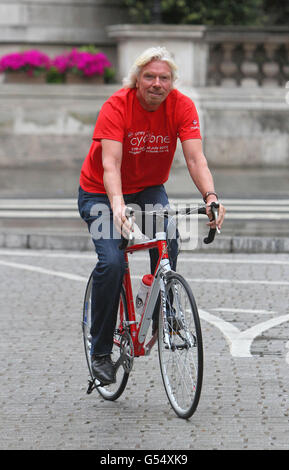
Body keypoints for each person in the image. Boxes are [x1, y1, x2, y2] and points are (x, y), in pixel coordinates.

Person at [78, 46, 226, 385]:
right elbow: (110, 164)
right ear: (137, 80)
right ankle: (101, 351)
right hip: (101, 191)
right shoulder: (117, 106)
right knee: (112, 263)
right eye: (149, 77)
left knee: (169, 234)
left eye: (164, 78)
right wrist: (116, 205)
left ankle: (166, 311)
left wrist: (211, 197)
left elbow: (195, 160)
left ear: (172, 82)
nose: (157, 83)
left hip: (147, 189)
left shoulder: (182, 106)